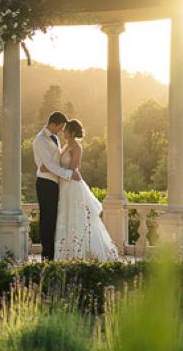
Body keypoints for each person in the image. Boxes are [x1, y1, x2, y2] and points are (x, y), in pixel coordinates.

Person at [51, 119, 119, 261]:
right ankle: (66, 253)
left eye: (66, 129)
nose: (63, 131)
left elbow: (74, 166)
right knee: (66, 215)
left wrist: (57, 171)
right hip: (64, 185)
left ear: (72, 132)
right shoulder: (64, 146)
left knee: (78, 217)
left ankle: (82, 253)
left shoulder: (77, 147)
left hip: (73, 185)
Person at [32, 111, 79, 260]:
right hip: (45, 184)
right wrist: (68, 174)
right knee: (47, 220)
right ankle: (47, 257)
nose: (61, 130)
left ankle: (54, 254)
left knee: (54, 220)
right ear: (54, 124)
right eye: (61, 126)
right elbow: (49, 165)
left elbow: (54, 163)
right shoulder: (40, 140)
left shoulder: (55, 139)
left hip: (55, 184)